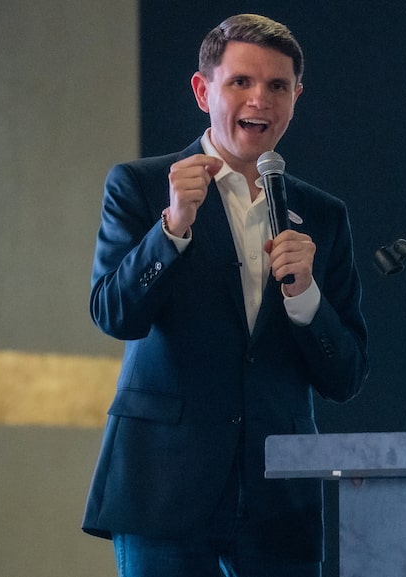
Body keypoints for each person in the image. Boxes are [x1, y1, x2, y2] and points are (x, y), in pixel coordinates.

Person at [81, 13, 369, 577]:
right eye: (241, 81)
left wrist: (307, 295)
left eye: (277, 86)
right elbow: (114, 314)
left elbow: (346, 375)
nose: (259, 99)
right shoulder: (140, 185)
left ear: (295, 98)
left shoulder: (325, 217)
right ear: (202, 89)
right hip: (164, 489)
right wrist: (172, 228)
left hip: (278, 500)